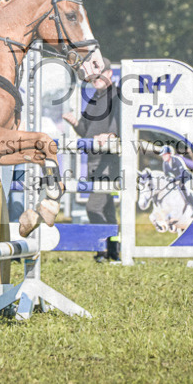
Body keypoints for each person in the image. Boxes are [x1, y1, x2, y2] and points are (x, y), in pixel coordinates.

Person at [63, 60, 121, 262]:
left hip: (109, 162)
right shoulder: (94, 99)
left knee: (93, 208)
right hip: (94, 161)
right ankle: (114, 251)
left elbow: (120, 123)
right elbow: (85, 132)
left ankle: (102, 250)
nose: (95, 79)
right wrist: (75, 123)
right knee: (107, 210)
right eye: (93, 75)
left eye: (100, 73)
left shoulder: (117, 95)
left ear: (110, 73)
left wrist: (111, 134)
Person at [159, 144, 193, 218]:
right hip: (177, 180)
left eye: (165, 155)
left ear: (170, 154)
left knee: (187, 190)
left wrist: (174, 179)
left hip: (187, 178)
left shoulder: (177, 160)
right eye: (162, 155)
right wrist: (169, 179)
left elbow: (183, 173)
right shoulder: (165, 164)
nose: (163, 157)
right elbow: (166, 175)